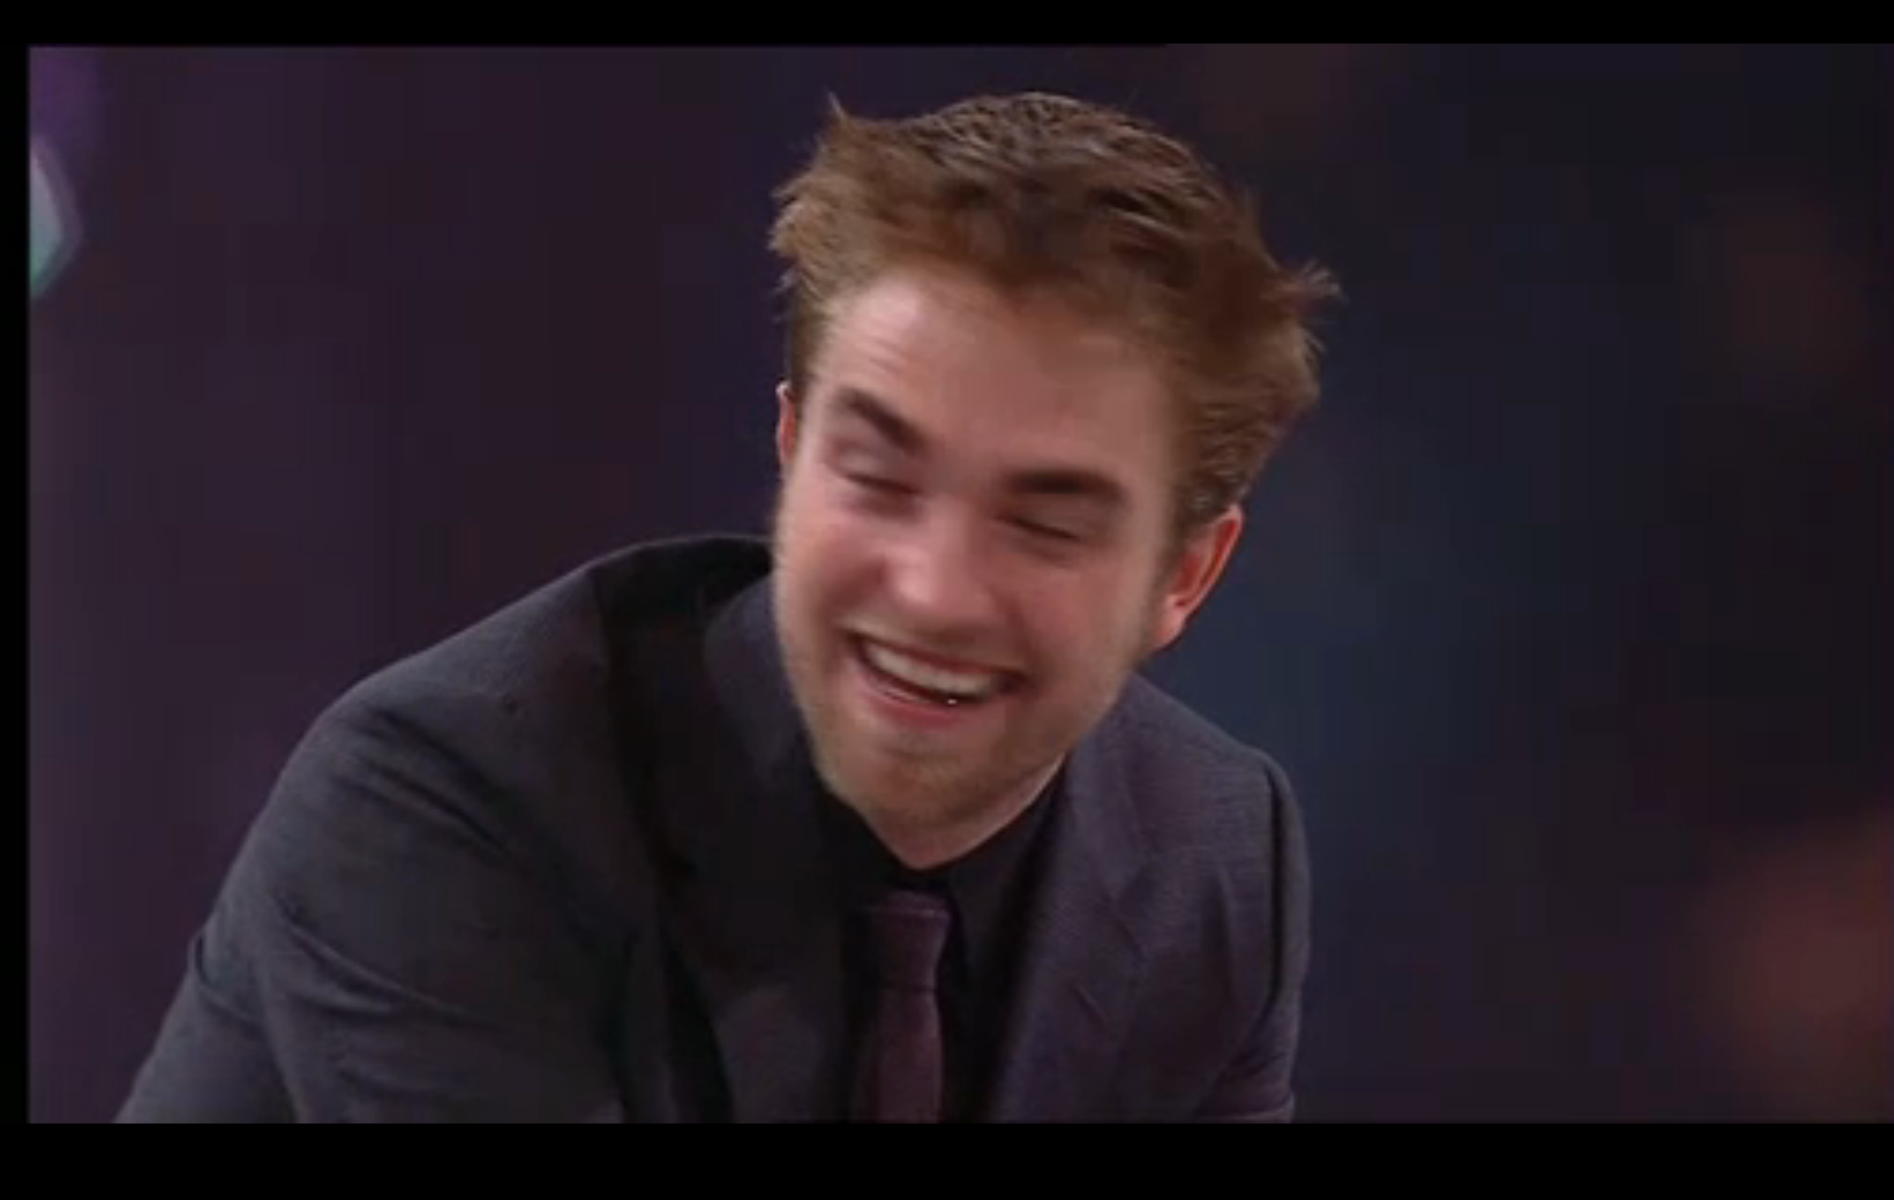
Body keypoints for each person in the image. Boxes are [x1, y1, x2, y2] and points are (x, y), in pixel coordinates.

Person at [117, 90, 1340, 1123]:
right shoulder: (448, 800)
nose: (932, 592)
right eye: (878, 476)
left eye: (1046, 524)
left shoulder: (1218, 855)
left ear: (1185, 576)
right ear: (792, 448)